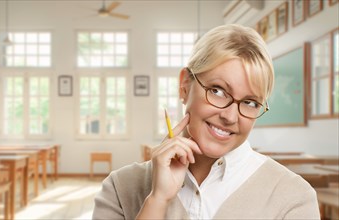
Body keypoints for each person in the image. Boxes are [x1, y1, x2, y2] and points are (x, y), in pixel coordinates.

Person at [92, 24, 320, 219]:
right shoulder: (121, 188)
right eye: (218, 91)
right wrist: (157, 200)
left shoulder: (294, 197)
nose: (230, 117)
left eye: (250, 103)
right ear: (184, 86)